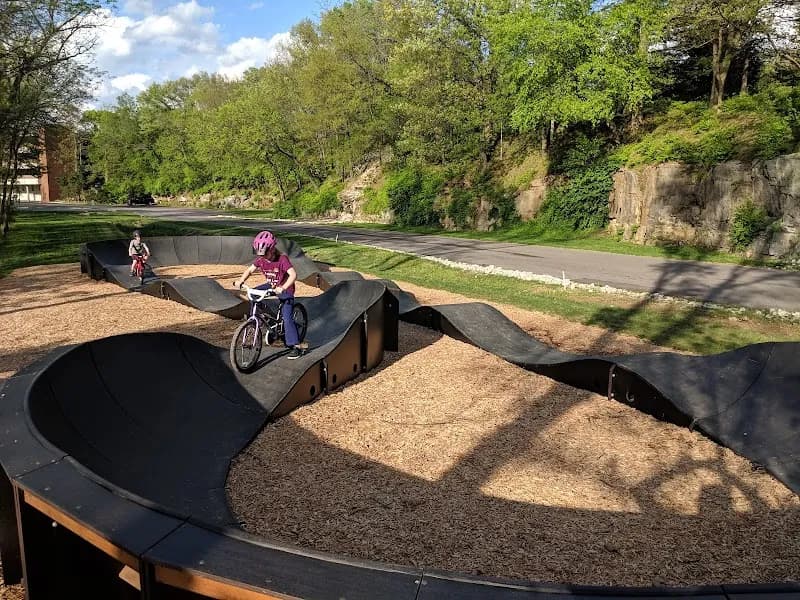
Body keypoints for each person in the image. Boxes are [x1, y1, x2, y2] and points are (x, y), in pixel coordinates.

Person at [234, 231, 302, 360]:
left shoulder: (282, 259)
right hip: (272, 284)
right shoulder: (261, 260)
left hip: (285, 287)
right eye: (260, 254)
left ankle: (295, 346)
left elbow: (293, 275)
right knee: (253, 294)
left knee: (287, 318)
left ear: (272, 250)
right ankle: (259, 320)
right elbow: (250, 270)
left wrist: (283, 288)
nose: (263, 257)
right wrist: (241, 281)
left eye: (265, 253)